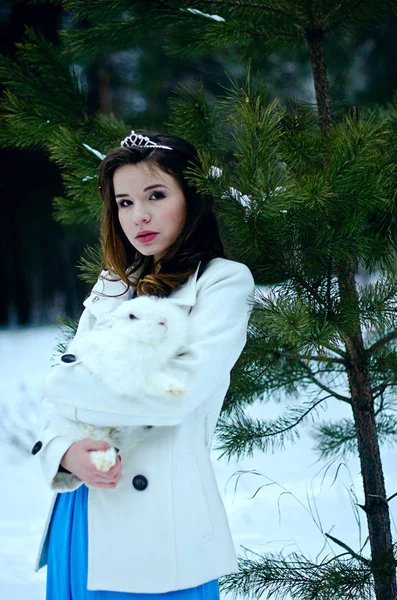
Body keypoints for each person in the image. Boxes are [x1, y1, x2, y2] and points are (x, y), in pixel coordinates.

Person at [32, 130, 255, 599]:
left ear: (190, 198)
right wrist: (62, 452)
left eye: (156, 195)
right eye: (125, 202)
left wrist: (62, 386)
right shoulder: (114, 283)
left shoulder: (223, 283)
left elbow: (178, 394)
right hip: (82, 505)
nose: (140, 216)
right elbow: (65, 390)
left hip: (161, 528)